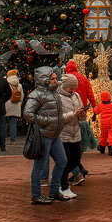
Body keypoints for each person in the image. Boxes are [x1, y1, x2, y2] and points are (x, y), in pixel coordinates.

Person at [22, 66, 75, 205]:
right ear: (44, 80)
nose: (55, 81)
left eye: (55, 78)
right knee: (39, 166)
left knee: (62, 161)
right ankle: (36, 195)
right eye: (52, 79)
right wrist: (46, 121)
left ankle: (54, 191)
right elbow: (28, 114)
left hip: (54, 134)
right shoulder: (37, 94)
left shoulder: (53, 93)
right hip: (44, 135)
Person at [57, 74, 85, 199]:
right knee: (65, 160)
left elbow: (81, 117)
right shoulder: (58, 98)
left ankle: (58, 178)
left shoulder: (76, 96)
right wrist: (73, 114)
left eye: (74, 87)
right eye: (70, 88)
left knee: (75, 159)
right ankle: (63, 185)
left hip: (76, 133)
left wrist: (82, 114)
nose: (73, 90)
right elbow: (59, 118)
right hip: (63, 134)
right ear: (65, 86)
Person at [93, 91, 112, 155]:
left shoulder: (100, 105)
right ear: (109, 97)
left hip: (104, 124)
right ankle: (111, 149)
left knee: (103, 136)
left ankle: (102, 148)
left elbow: (96, 111)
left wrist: (94, 108)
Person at [5, 69, 23, 143]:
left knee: (4, 123)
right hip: (16, 105)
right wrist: (19, 104)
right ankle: (13, 140)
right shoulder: (19, 85)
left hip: (7, 105)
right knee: (13, 123)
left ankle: (3, 139)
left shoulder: (6, 84)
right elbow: (22, 96)